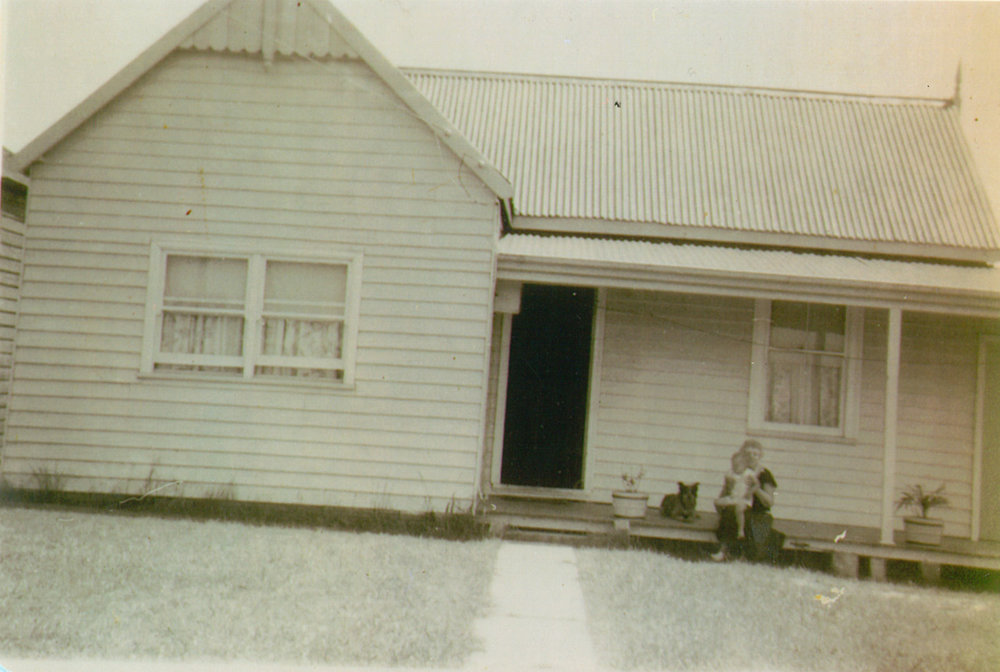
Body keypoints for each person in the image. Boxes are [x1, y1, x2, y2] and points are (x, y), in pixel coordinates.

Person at [710, 439, 780, 562]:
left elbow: (769, 502)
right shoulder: (737, 472)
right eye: (748, 454)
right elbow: (722, 499)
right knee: (732, 512)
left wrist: (755, 488)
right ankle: (724, 551)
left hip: (759, 513)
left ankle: (741, 555)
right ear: (742, 455)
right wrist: (727, 488)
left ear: (760, 456)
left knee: (745, 520)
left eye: (755, 454)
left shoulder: (765, 474)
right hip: (741, 510)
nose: (751, 457)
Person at [714, 449, 757, 539]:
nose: (735, 467)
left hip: (743, 500)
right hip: (732, 498)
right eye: (733, 465)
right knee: (717, 502)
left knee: (739, 509)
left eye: (738, 465)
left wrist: (750, 492)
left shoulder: (748, 474)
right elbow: (726, 486)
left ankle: (740, 530)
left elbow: (757, 485)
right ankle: (720, 516)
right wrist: (729, 484)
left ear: (745, 465)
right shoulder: (730, 473)